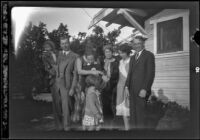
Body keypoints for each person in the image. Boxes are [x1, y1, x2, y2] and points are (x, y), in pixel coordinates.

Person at [125, 35, 155, 129]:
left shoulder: (149, 55)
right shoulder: (132, 57)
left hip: (142, 90)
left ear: (143, 44)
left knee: (141, 114)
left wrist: (145, 89)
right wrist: (126, 87)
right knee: (133, 113)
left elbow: (150, 74)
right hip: (132, 90)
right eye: (135, 44)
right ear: (133, 45)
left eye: (139, 43)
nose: (137, 45)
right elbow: (129, 73)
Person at [73, 49, 103, 123]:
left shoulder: (98, 66)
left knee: (95, 104)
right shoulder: (85, 68)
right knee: (85, 104)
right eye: (89, 59)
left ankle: (95, 119)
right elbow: (82, 79)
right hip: (87, 88)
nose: (90, 60)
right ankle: (81, 119)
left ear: (94, 58)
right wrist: (82, 90)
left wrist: (99, 87)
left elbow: (101, 77)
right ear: (86, 58)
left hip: (96, 88)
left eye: (92, 59)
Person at [56, 36, 78, 131]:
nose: (64, 45)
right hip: (58, 85)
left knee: (66, 106)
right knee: (61, 106)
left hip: (67, 84)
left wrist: (73, 88)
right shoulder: (59, 55)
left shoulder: (75, 56)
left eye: (66, 43)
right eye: (62, 43)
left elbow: (76, 74)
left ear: (69, 43)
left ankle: (67, 127)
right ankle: (65, 124)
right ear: (60, 45)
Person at [42, 40, 62, 131]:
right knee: (56, 102)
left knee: (64, 101)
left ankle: (65, 120)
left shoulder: (58, 53)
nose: (46, 48)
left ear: (52, 46)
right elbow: (47, 68)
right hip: (54, 79)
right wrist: (54, 72)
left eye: (48, 46)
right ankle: (58, 124)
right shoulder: (44, 56)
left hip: (63, 79)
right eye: (45, 47)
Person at [116, 43, 132, 130]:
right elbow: (119, 76)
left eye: (122, 53)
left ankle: (129, 129)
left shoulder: (132, 61)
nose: (120, 55)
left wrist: (127, 87)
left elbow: (132, 76)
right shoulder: (120, 62)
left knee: (128, 110)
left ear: (127, 52)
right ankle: (126, 129)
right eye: (119, 53)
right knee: (123, 111)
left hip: (128, 87)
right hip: (120, 88)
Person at [102, 44, 119, 120]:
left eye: (109, 52)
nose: (107, 53)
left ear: (112, 52)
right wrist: (102, 76)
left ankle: (114, 120)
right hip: (104, 86)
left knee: (113, 103)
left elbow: (117, 74)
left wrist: (109, 78)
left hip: (114, 85)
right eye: (106, 52)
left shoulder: (117, 62)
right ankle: (106, 120)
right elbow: (99, 71)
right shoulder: (102, 61)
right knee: (104, 104)